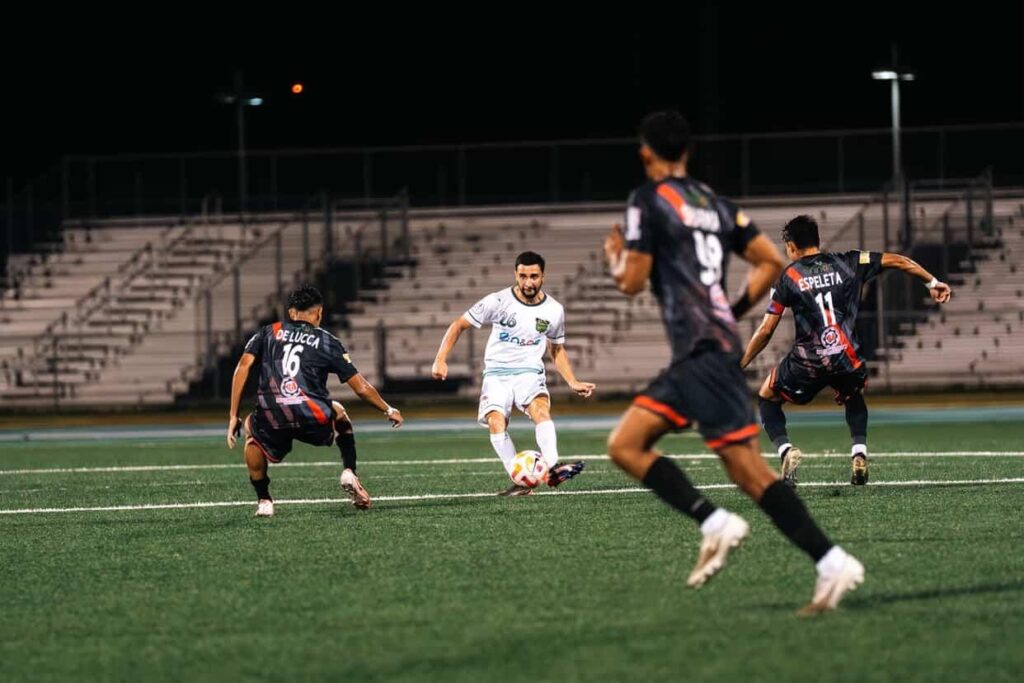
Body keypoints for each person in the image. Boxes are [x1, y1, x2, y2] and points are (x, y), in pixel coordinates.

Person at [603, 110, 863, 614]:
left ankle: (731, 527)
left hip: (700, 354)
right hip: (711, 349)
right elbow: (770, 261)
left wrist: (615, 257)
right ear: (688, 151)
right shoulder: (717, 205)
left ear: (645, 153)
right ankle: (820, 559)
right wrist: (732, 309)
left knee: (642, 449)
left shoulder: (647, 200)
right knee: (723, 467)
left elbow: (631, 282)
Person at [740, 214, 952, 486]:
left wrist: (741, 363)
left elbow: (766, 330)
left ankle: (786, 450)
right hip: (846, 356)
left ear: (791, 246)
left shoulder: (787, 277)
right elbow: (899, 261)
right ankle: (859, 454)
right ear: (817, 240)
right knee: (853, 394)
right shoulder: (850, 262)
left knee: (767, 397)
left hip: (809, 362)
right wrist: (932, 283)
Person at [227, 284, 403, 516]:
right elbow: (361, 387)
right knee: (339, 412)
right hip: (311, 413)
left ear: (291, 313)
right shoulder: (327, 341)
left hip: (274, 414)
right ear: (319, 313)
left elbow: (243, 367)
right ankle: (349, 471)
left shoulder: (268, 332)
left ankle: (264, 501)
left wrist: (233, 415)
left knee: (252, 431)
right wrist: (387, 409)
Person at [432, 251, 596, 496]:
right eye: (523, 276)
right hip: (496, 373)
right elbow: (459, 325)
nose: (528, 282)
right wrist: (440, 359)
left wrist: (572, 381)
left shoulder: (554, 310)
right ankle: (521, 480)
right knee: (496, 422)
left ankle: (552, 468)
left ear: (543, 276)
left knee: (540, 410)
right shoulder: (497, 301)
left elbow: (556, 349)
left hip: (529, 372)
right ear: (515, 275)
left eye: (534, 276)